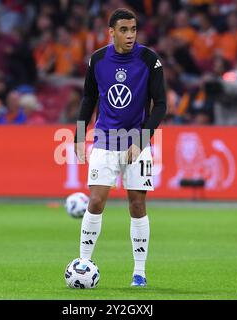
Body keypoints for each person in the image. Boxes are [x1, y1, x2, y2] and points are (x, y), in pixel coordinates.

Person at [73, 8, 167, 287]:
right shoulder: (98, 60)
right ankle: (83, 263)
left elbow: (160, 104)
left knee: (137, 205)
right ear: (111, 32)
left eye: (133, 29)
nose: (130, 35)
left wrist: (141, 140)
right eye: (124, 30)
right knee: (96, 201)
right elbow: (89, 97)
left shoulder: (150, 60)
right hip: (105, 138)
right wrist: (79, 134)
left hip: (137, 141)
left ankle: (139, 272)